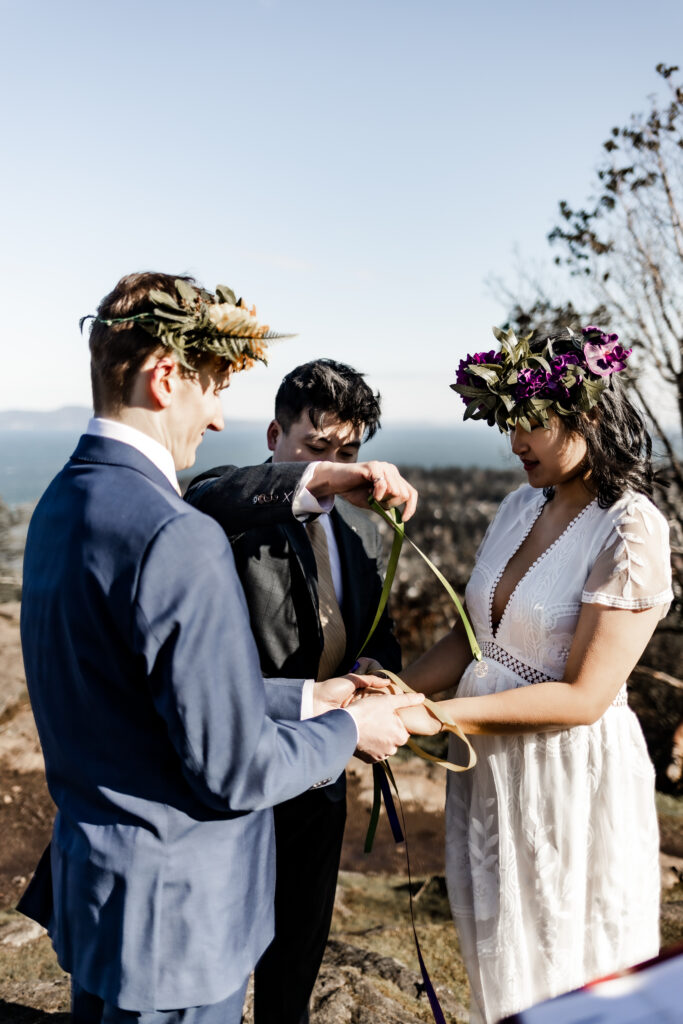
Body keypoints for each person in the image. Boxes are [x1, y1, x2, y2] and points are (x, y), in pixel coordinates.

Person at [17, 272, 424, 1024]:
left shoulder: (62, 501)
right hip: (178, 920)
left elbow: (139, 694)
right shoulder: (178, 532)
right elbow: (233, 768)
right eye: (212, 389)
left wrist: (313, 696)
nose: (213, 418)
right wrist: (348, 730)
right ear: (165, 376)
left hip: (105, 900)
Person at [393, 326, 674, 1023]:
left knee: (564, 974)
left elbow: (584, 698)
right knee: (499, 964)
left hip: (565, 781)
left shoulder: (628, 528)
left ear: (591, 415)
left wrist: (435, 719)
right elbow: (471, 640)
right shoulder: (521, 505)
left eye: (532, 422)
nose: (515, 441)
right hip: (489, 778)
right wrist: (395, 691)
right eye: (506, 421)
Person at [185, 358, 402, 1024]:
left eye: (348, 452)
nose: (336, 467)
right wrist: (316, 479)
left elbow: (380, 634)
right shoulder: (225, 507)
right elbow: (211, 493)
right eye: (316, 449)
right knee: (213, 956)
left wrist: (373, 666)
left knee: (298, 952)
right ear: (276, 435)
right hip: (242, 770)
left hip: (322, 777)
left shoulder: (360, 532)